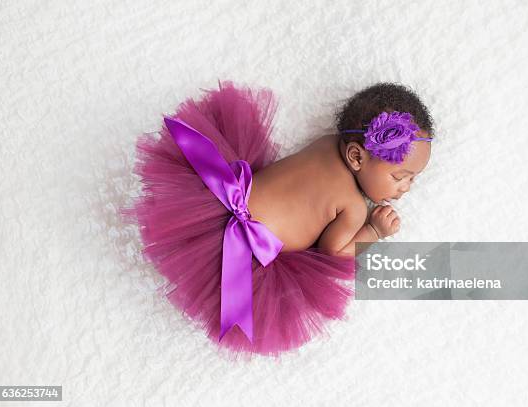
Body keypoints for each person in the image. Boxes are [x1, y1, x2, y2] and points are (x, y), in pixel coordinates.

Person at [121, 80, 434, 358]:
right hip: (248, 252)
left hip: (222, 197)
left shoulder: (325, 144)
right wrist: (374, 231)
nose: (405, 188)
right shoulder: (352, 206)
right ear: (356, 156)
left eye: (412, 180)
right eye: (400, 176)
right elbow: (334, 252)